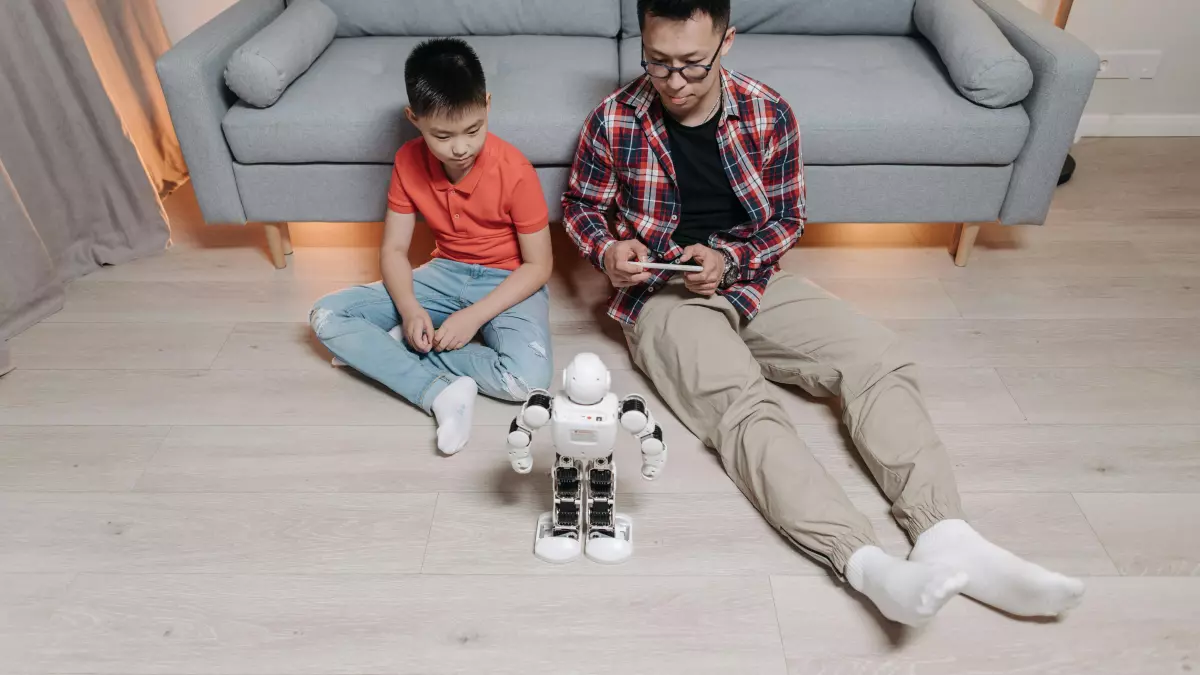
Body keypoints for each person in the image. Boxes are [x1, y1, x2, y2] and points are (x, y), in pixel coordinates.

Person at [562, 0, 1085, 627]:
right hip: (662, 294)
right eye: (658, 63)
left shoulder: (768, 111)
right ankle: (864, 561)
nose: (673, 82)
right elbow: (581, 208)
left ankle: (947, 533)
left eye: (692, 65)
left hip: (750, 278)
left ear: (727, 43)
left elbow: (787, 220)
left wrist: (728, 259)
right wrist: (607, 249)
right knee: (743, 409)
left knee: (876, 358)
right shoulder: (613, 120)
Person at [311, 37, 554, 455]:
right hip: (444, 272)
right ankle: (439, 392)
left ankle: (386, 352)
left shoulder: (515, 170)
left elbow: (539, 266)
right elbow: (393, 251)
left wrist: (472, 318)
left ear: (488, 105)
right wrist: (409, 309)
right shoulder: (408, 160)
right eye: (442, 136)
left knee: (527, 380)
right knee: (328, 315)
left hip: (508, 281)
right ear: (414, 118)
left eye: (473, 130)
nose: (460, 147)